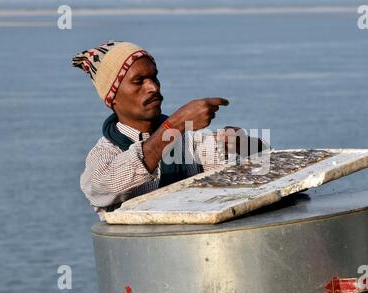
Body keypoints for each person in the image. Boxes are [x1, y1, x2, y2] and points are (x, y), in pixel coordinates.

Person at [72, 41, 266, 220]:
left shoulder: (189, 142)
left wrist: (241, 143)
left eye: (154, 77)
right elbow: (106, 186)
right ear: (112, 96)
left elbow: (264, 159)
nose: (153, 87)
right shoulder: (104, 155)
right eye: (139, 81)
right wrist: (175, 125)